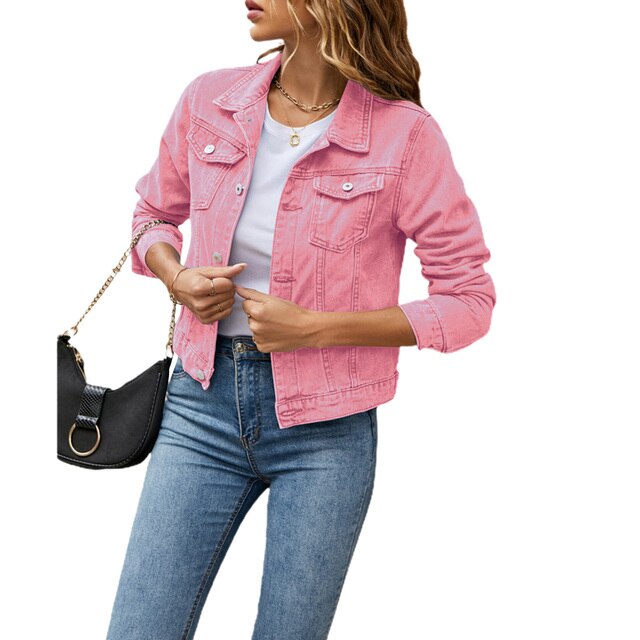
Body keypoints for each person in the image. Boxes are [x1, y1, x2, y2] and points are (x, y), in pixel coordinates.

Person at [107, 1, 497, 638]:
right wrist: (178, 278)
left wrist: (317, 328)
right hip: (199, 405)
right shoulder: (210, 101)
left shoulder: (405, 136)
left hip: (328, 429)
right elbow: (152, 215)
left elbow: (468, 300)